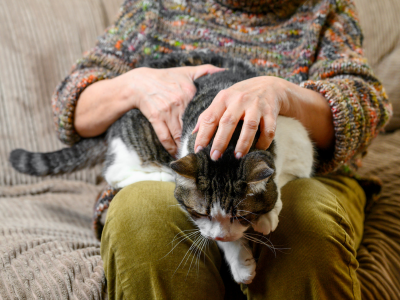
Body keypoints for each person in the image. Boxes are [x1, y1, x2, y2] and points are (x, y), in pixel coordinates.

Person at [52, 0, 392, 299]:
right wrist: (134, 85)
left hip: (295, 174)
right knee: (141, 221)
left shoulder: (325, 6)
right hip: (186, 176)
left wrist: (284, 94)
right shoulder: (153, 7)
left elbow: (368, 106)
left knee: (307, 225)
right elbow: (70, 104)